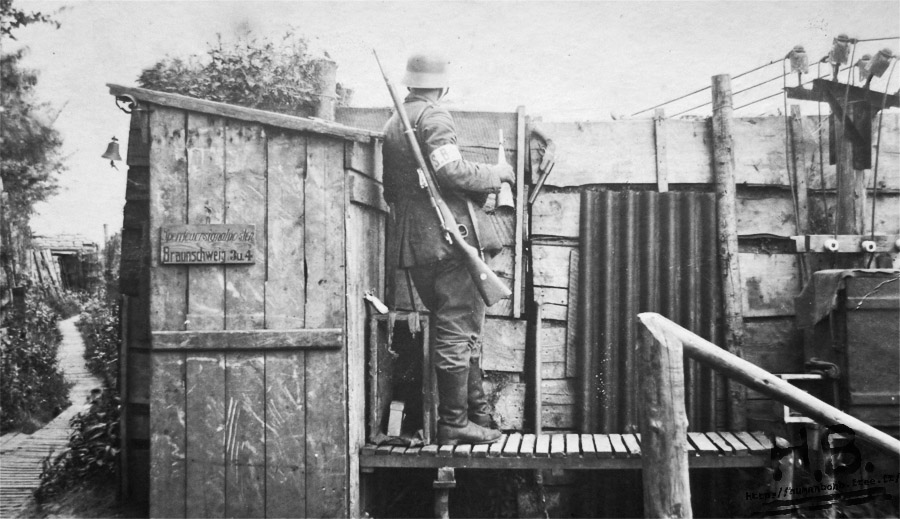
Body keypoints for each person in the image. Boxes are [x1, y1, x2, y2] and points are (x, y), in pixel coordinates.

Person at [382, 53, 554, 445]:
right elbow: (451, 171)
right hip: (449, 242)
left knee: (457, 326)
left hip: (416, 244)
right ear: (442, 85)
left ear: (410, 82)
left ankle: (476, 414)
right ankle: (454, 423)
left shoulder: (395, 122)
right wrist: (497, 174)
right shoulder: (434, 117)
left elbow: (393, 190)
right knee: (457, 330)